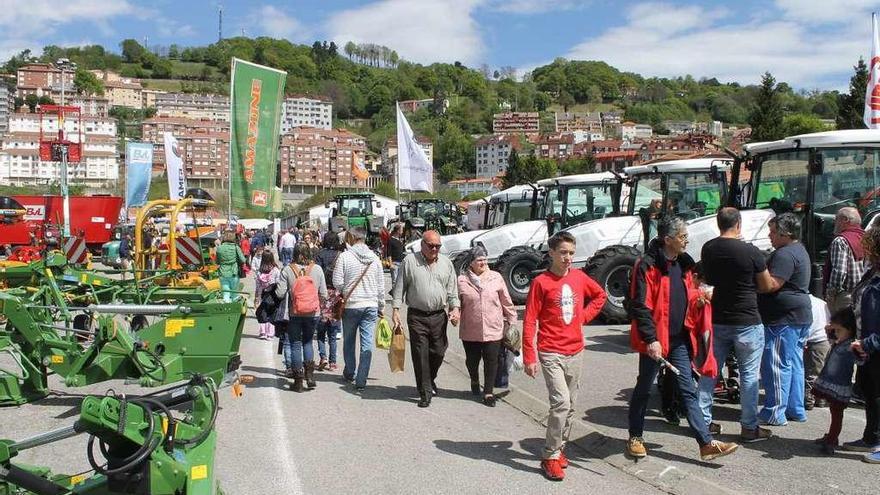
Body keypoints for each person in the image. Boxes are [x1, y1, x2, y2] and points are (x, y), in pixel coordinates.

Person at [626, 216, 739, 462]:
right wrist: (651, 339)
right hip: (655, 340)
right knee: (644, 388)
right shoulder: (646, 265)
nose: (687, 241)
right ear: (668, 240)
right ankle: (635, 436)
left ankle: (706, 443)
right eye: (682, 237)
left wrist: (698, 299)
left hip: (678, 340)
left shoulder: (685, 264)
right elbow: (640, 305)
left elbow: (682, 298)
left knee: (688, 389)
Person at [522, 231, 606, 481]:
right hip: (550, 351)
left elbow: (600, 296)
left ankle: (559, 449)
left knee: (571, 406)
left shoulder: (580, 277)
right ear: (551, 254)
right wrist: (529, 355)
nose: (568, 257)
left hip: (576, 351)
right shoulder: (541, 283)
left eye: (571, 252)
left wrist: (584, 317)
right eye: (563, 253)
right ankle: (549, 456)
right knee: (561, 403)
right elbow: (529, 320)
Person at [697, 207, 773, 442]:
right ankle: (749, 427)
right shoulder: (751, 251)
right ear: (738, 224)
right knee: (749, 376)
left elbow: (706, 279)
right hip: (747, 319)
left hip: (718, 319)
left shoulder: (709, 249)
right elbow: (766, 285)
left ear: (718, 224)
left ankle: (703, 422)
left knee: (709, 372)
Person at [391, 230, 460, 408]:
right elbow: (400, 287)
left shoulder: (446, 263)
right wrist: (396, 309)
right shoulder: (410, 262)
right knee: (420, 353)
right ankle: (425, 392)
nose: (434, 249)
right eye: (431, 245)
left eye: (438, 246)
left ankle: (429, 380)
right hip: (417, 316)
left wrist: (455, 309)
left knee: (438, 351)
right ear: (422, 245)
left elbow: (452, 290)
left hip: (438, 315)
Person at [757, 213, 813, 426]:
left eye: (773, 232)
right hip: (797, 315)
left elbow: (772, 284)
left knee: (776, 364)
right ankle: (795, 408)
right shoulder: (798, 250)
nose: (769, 236)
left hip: (784, 318)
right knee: (793, 363)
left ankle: (774, 412)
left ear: (785, 234)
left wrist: (755, 282)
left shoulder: (785, 254)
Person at [457, 245, 517, 407]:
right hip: (470, 329)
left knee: (492, 361)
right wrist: (454, 313)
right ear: (471, 263)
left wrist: (511, 319)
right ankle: (474, 379)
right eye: (479, 260)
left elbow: (506, 300)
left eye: (485, 259)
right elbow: (456, 302)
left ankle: (488, 392)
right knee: (472, 361)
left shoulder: (496, 277)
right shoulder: (462, 280)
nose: (483, 262)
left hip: (493, 328)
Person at [333, 226, 385, 391]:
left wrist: (345, 290)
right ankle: (362, 378)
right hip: (370, 304)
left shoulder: (345, 257)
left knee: (348, 340)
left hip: (351, 304)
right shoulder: (375, 258)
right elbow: (380, 285)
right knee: (366, 342)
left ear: (352, 237)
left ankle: (350, 372)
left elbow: (337, 282)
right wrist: (381, 304)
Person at [845, 221, 880, 461]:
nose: (863, 250)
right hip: (867, 344)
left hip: (873, 344)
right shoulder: (873, 273)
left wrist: (868, 343)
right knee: (870, 391)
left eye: (868, 246)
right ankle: (871, 437)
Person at [275, 243, 327, 392]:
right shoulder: (317, 269)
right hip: (313, 313)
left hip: (294, 313)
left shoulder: (287, 270)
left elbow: (279, 293)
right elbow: (323, 293)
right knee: (308, 342)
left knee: (295, 344)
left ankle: (298, 382)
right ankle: (310, 376)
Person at [814, 308, 863, 455]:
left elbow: (861, 360)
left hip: (839, 386)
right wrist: (831, 329)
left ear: (849, 329)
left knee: (837, 414)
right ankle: (831, 436)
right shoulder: (839, 341)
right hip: (831, 383)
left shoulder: (851, 345)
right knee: (833, 411)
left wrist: (860, 350)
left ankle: (832, 440)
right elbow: (831, 335)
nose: (835, 333)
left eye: (838, 330)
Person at [824, 207, 867, 312]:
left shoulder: (840, 241)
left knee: (840, 327)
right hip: (863, 293)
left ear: (845, 220)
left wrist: (831, 294)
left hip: (844, 297)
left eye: (837, 218)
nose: (835, 222)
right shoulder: (866, 238)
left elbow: (839, 271)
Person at [315, 232, 344, 371]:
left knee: (320, 331)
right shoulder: (341, 255)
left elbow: (317, 273)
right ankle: (333, 362)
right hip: (336, 295)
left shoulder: (320, 254)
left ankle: (323, 357)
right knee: (333, 333)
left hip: (322, 294)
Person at [805, 295, 831, 410]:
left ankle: (808, 399)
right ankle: (820, 399)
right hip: (823, 339)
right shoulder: (822, 303)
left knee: (810, 373)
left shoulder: (804, 302)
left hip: (811, 338)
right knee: (819, 372)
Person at [255, 249, 279, 339]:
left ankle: (263, 332)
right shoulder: (275, 270)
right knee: (272, 313)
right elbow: (278, 282)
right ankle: (270, 333)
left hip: (263, 294)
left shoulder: (259, 271)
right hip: (273, 294)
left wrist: (257, 297)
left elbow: (258, 285)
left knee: (262, 312)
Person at [216, 230, 246, 303]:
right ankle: (234, 310)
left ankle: (226, 308)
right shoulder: (235, 247)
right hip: (233, 272)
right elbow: (243, 260)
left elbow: (217, 261)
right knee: (234, 293)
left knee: (225, 293)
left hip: (222, 273)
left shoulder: (219, 248)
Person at [387, 223, 406, 288]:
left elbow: (403, 252)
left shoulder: (400, 240)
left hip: (401, 263)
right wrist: (391, 264)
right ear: (398, 231)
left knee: (401, 281)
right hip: (394, 263)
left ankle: (399, 295)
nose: (402, 231)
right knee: (395, 281)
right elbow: (388, 253)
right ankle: (395, 296)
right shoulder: (391, 240)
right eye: (401, 230)